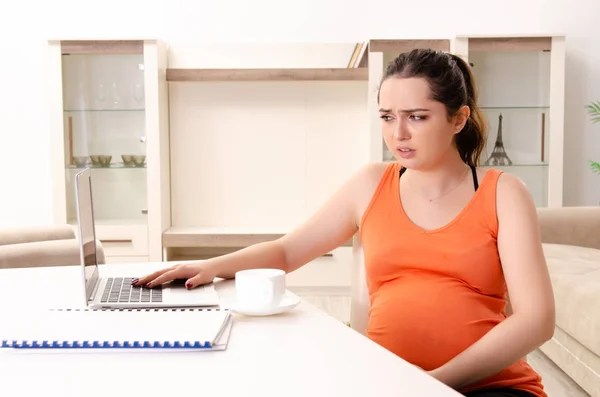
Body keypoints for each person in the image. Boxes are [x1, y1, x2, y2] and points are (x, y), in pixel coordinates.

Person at [133, 48, 555, 397]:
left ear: (458, 119)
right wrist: (210, 266)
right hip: (387, 381)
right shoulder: (370, 184)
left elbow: (536, 319)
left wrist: (434, 384)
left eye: (417, 116)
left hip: (492, 386)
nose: (398, 134)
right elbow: (286, 250)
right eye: (387, 116)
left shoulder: (503, 192)